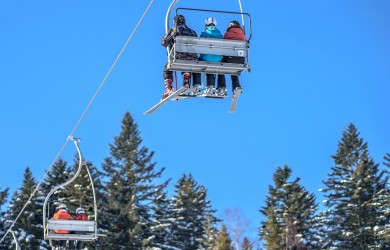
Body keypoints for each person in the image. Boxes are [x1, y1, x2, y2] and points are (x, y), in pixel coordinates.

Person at [161, 14, 201, 99]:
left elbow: (163, 42)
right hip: (191, 58)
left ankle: (169, 88)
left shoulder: (174, 30)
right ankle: (186, 82)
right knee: (187, 63)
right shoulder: (193, 32)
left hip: (178, 56)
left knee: (167, 69)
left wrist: (170, 38)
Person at [217, 20, 247, 96]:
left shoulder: (227, 35)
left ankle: (222, 87)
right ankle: (236, 86)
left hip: (229, 58)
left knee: (220, 68)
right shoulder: (243, 36)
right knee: (234, 71)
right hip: (241, 60)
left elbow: (224, 46)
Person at [199, 17, 224, 96]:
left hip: (207, 57)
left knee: (206, 62)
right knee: (219, 66)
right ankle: (222, 87)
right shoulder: (220, 35)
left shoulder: (204, 34)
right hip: (218, 58)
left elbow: (200, 47)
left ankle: (209, 86)